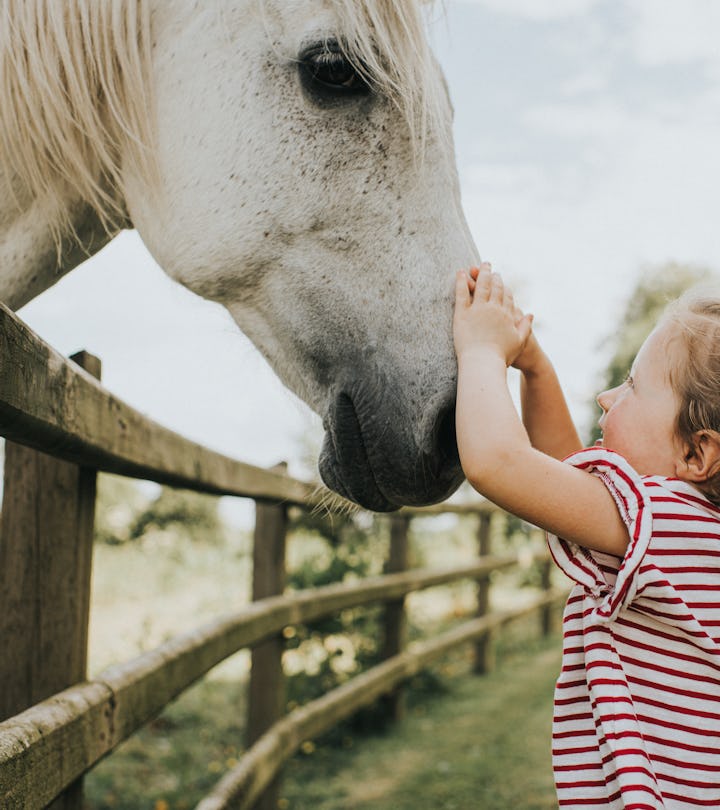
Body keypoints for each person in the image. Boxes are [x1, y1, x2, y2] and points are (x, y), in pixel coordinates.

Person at [452, 262, 720, 809]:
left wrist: (481, 351)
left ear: (695, 452)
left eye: (632, 386)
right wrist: (534, 367)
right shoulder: (684, 534)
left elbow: (498, 464)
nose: (605, 395)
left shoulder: (666, 521)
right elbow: (566, 481)